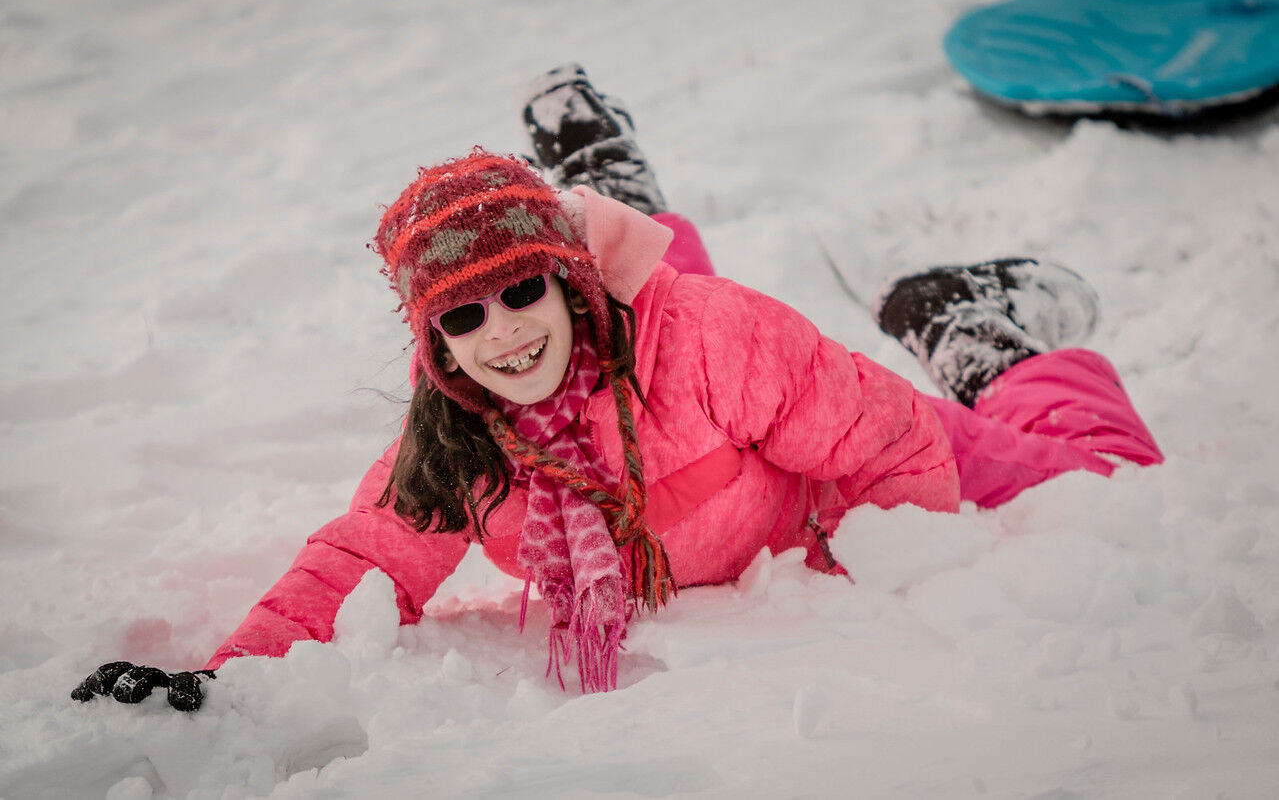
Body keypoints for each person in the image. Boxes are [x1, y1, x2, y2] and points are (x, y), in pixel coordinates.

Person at [71, 64, 1163, 711]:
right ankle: (608, 183)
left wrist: (873, 587)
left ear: (568, 279)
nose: (496, 336)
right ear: (434, 345)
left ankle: (975, 330)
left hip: (840, 446)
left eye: (517, 296)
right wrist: (227, 683)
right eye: (460, 318)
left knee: (1110, 482)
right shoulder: (458, 436)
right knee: (634, 328)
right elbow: (364, 558)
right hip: (694, 381)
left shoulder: (708, 340)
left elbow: (892, 453)